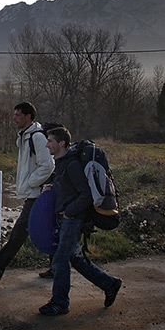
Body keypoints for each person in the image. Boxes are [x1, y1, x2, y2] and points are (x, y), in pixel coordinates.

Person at [38, 126, 122, 316]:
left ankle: (60, 302)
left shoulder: (72, 165)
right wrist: (51, 188)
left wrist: (69, 211)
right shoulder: (61, 163)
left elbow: (86, 195)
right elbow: (69, 189)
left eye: (50, 141)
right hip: (68, 217)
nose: (46, 144)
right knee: (75, 259)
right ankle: (110, 284)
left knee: (60, 260)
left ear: (61, 143)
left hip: (74, 219)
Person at [0, 102, 55, 280]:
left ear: (28, 117)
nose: (14, 118)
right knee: (50, 229)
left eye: (18, 115)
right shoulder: (25, 136)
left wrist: (30, 183)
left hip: (38, 194)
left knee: (19, 231)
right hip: (37, 193)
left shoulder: (36, 137)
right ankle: (57, 268)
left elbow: (48, 165)